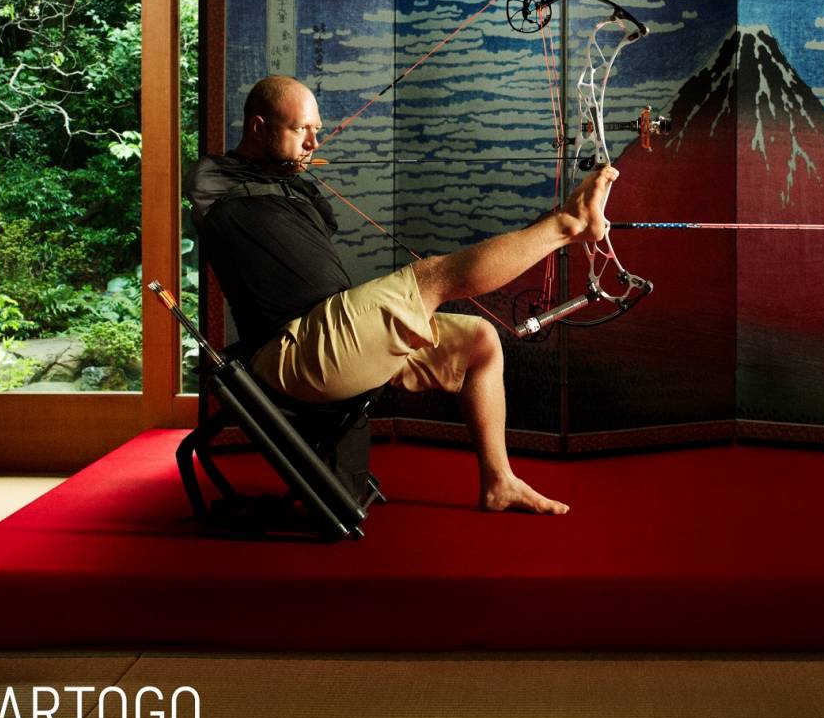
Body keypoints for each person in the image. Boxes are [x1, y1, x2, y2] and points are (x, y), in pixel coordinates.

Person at [186, 74, 618, 515]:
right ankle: (569, 225)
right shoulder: (215, 183)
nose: (314, 143)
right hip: (292, 353)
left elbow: (298, 201)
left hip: (333, 338)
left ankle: (499, 482)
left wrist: (286, 166)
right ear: (258, 128)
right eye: (301, 130)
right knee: (431, 278)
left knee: (480, 342)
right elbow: (219, 183)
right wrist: (275, 171)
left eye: (317, 130)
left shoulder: (289, 187)